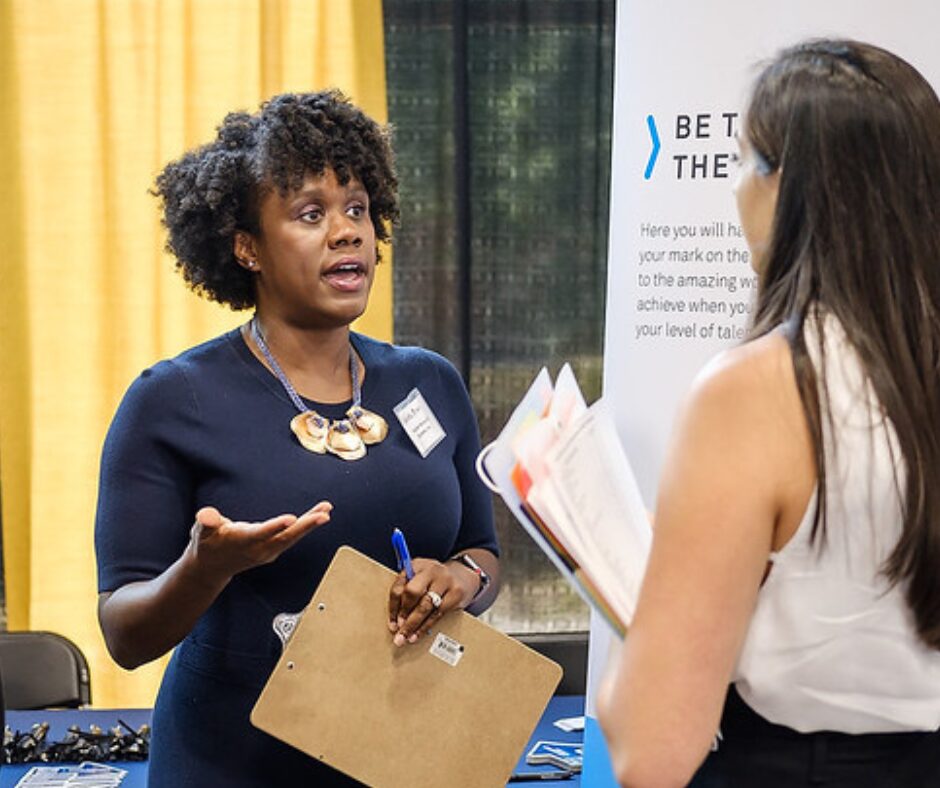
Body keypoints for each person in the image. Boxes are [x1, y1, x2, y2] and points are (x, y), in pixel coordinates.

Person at [94, 90, 499, 787]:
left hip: (408, 753)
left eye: (358, 210)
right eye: (311, 214)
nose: (347, 233)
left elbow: (482, 551)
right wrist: (205, 567)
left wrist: (457, 580)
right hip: (231, 763)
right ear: (246, 247)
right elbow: (124, 635)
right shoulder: (171, 400)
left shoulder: (427, 384)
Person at [597, 39, 940, 787]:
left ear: (799, 188)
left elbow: (648, 753)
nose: (733, 189)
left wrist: (646, 587)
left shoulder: (760, 389)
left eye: (747, 160)